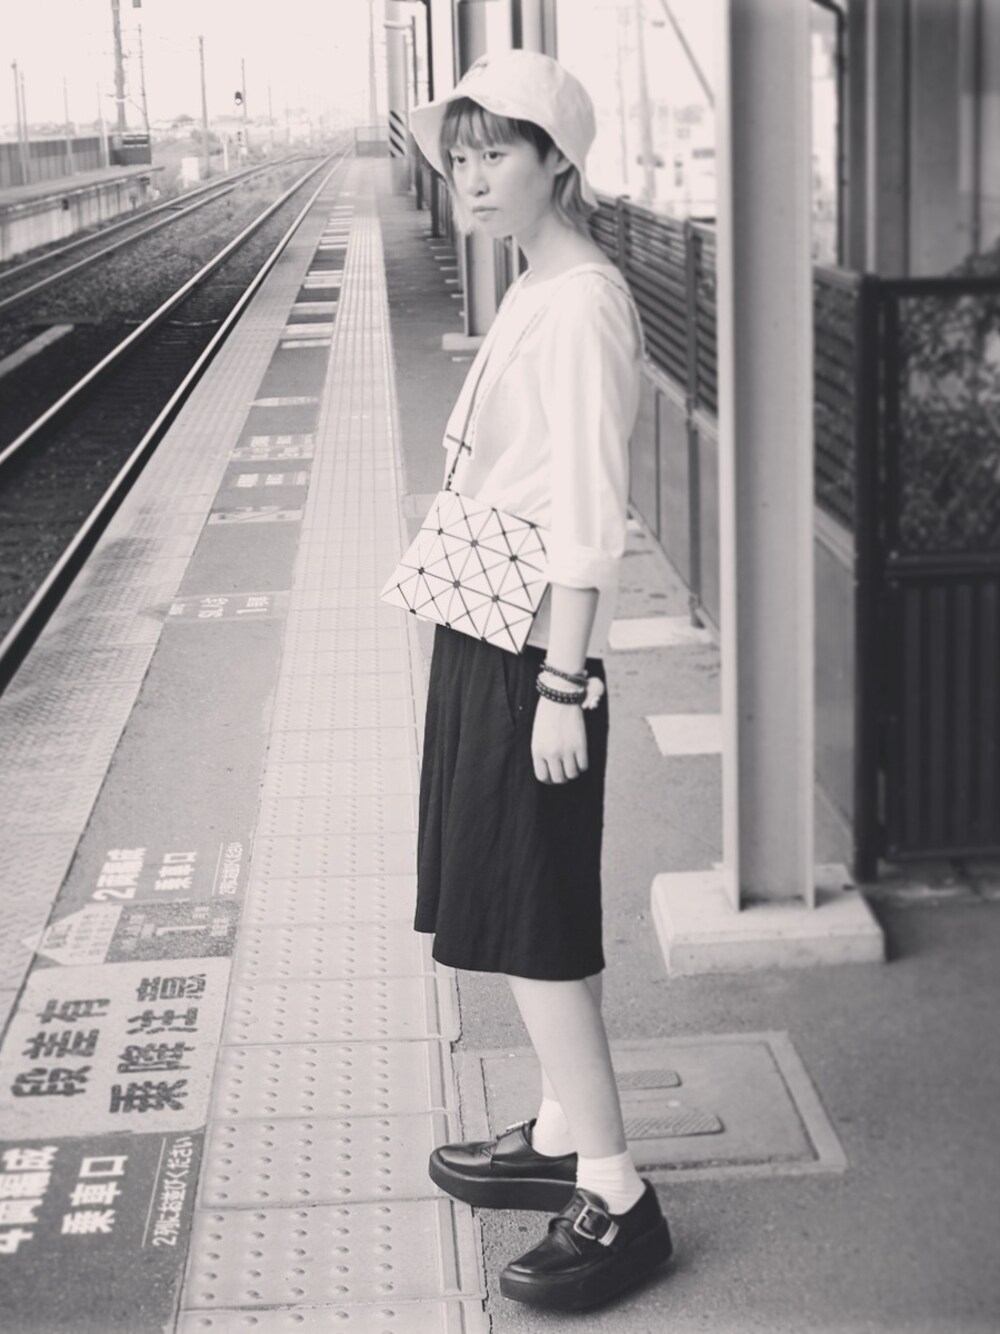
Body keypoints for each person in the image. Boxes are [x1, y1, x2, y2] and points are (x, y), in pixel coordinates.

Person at [407, 49, 673, 1312]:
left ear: (555, 162)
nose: (469, 176)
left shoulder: (577, 304)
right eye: (459, 154)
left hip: (531, 649)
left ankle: (617, 1195)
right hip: (492, 624)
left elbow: (587, 510)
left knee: (531, 921)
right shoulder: (537, 281)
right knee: (528, 901)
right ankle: (565, 1127)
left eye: (495, 153)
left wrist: (564, 683)